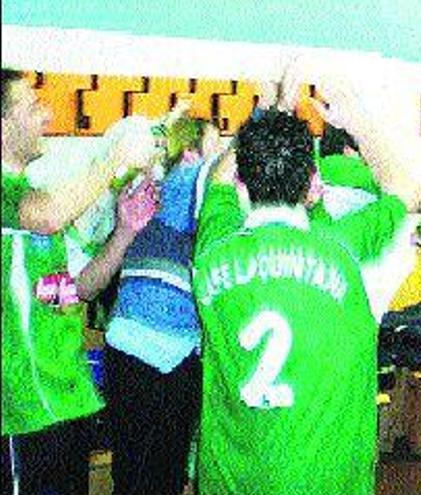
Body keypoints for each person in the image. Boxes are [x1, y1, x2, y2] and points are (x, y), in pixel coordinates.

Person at [192, 82, 408, 492]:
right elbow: (401, 189)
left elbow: (221, 180)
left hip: (231, 481)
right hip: (328, 480)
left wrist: (268, 115)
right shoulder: (344, 247)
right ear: (313, 185)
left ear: (242, 184)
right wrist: (360, 124)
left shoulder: (213, 245)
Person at [1, 68, 158, 495]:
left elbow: (74, 290)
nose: (47, 116)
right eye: (32, 107)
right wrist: (114, 157)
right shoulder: (21, 201)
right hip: (22, 411)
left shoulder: (32, 195)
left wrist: (125, 230)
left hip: (68, 404)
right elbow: (49, 216)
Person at [102, 113, 216, 495]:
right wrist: (265, 111)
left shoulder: (165, 191)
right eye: (213, 147)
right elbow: (200, 183)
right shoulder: (175, 188)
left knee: (153, 473)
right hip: (148, 350)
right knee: (147, 474)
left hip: (168, 351)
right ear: (190, 154)